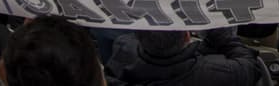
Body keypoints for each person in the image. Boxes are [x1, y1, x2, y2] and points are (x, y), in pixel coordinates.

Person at [106, 27, 261, 86]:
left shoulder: (123, 51)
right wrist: (222, 36)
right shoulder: (222, 72)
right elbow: (251, 65)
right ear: (187, 36)